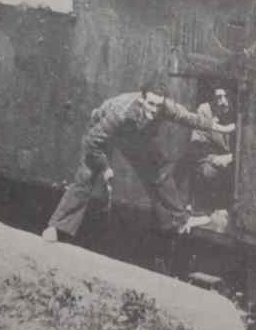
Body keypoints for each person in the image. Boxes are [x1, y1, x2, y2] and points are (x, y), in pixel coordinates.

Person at [41, 80, 235, 243]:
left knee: (160, 170)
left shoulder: (164, 107)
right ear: (142, 100)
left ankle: (180, 220)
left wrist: (216, 126)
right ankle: (56, 227)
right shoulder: (120, 112)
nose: (154, 110)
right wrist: (105, 167)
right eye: (150, 104)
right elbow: (93, 142)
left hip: (134, 135)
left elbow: (187, 117)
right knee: (86, 176)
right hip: (102, 134)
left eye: (158, 105)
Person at [184, 87, 235, 211]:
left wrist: (232, 157)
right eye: (218, 97)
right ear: (212, 99)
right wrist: (215, 158)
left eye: (226, 96)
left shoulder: (234, 113)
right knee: (207, 172)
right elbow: (197, 147)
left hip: (233, 161)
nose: (223, 101)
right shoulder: (204, 111)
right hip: (211, 160)